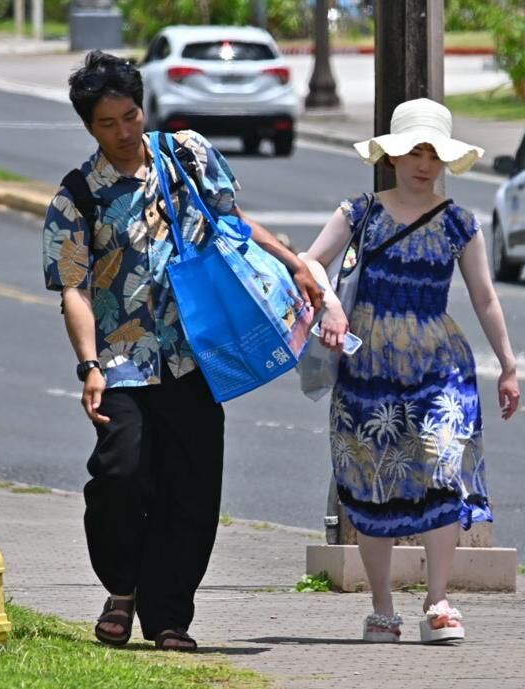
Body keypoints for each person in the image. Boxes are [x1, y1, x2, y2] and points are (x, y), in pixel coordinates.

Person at [42, 51, 322, 651]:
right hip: (121, 363)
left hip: (196, 355)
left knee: (192, 489)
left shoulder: (187, 155)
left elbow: (232, 223)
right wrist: (89, 366)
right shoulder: (77, 196)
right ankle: (122, 585)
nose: (123, 133)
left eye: (130, 115)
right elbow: (74, 288)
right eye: (106, 123)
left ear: (144, 108)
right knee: (121, 474)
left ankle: (169, 616)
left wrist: (293, 262)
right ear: (89, 126)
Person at [299, 98, 521, 644]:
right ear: (392, 156)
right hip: (367, 361)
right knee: (372, 484)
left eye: (434, 154)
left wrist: (509, 366)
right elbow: (307, 264)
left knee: (444, 471)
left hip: (437, 360)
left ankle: (439, 601)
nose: (423, 164)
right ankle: (382, 609)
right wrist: (330, 304)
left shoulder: (460, 224)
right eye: (413, 151)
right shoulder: (360, 213)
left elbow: (485, 298)